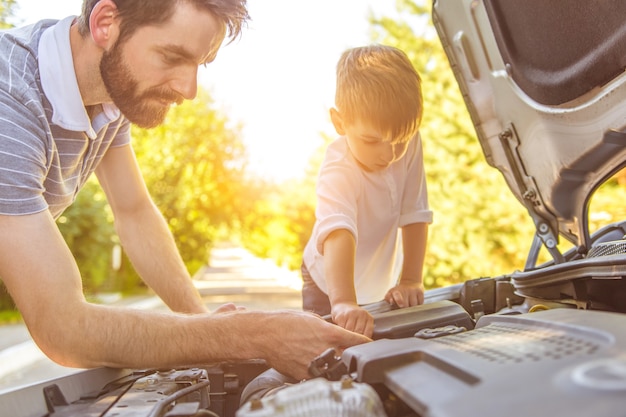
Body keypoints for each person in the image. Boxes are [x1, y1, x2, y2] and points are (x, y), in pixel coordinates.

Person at [0, 0, 369, 381]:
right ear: (105, 23)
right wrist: (253, 334)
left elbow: (134, 211)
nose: (189, 89)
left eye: (200, 64)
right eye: (171, 56)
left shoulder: (110, 91)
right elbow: (64, 329)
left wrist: (201, 322)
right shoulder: (8, 103)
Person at [302, 44, 433, 338]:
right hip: (327, 284)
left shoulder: (409, 144)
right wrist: (344, 302)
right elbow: (338, 231)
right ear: (340, 122)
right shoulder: (339, 168)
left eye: (400, 139)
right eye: (372, 140)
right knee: (323, 349)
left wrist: (411, 280)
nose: (389, 153)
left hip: (376, 281)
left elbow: (415, 211)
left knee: (372, 346)